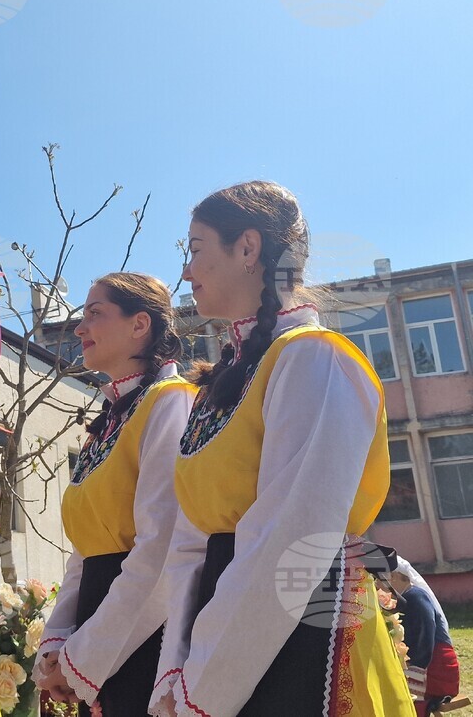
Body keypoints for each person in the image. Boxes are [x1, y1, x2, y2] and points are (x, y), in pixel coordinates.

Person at [150, 181, 413, 717]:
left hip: (301, 633)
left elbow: (291, 538)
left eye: (195, 249)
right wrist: (178, 666)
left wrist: (205, 685)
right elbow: (190, 543)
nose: (185, 271)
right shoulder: (225, 379)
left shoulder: (313, 358)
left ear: (247, 248)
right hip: (222, 634)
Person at [32, 273, 196, 715]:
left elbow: (160, 548)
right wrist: (58, 642)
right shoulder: (110, 421)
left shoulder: (170, 402)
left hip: (146, 631)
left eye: (95, 314)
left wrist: (84, 657)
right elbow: (84, 552)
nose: (79, 328)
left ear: (139, 324)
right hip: (100, 625)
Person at [391, 562, 460, 717]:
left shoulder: (415, 597)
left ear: (394, 576)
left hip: (437, 672)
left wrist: (411, 671)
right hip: (430, 667)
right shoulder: (409, 597)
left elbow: (423, 643)